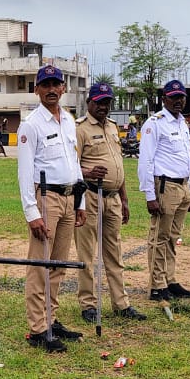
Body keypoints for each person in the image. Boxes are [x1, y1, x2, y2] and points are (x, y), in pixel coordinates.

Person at [16, 65, 86, 352]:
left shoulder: (68, 120)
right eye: (45, 85)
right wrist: (32, 213)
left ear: (63, 88)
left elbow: (74, 162)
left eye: (56, 84)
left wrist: (80, 201)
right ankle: (38, 328)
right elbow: (24, 173)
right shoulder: (31, 125)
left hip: (69, 197)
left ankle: (51, 319)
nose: (51, 90)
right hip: (46, 199)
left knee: (58, 265)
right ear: (37, 90)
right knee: (40, 266)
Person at [75, 82, 146, 326]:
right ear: (89, 103)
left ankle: (121, 303)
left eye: (107, 102)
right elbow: (70, 166)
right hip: (90, 196)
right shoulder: (80, 129)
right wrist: (87, 172)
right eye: (99, 102)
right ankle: (88, 304)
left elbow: (119, 165)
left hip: (113, 198)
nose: (104, 107)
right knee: (87, 254)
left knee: (114, 253)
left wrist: (124, 199)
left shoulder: (113, 127)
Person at [138, 79, 190, 302]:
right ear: (164, 99)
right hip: (165, 186)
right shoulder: (155, 123)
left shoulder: (182, 123)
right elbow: (146, 161)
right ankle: (157, 285)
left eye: (181, 97)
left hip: (182, 185)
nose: (178, 101)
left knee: (173, 237)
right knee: (159, 237)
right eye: (173, 97)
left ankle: (169, 280)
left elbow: (185, 158)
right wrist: (149, 195)